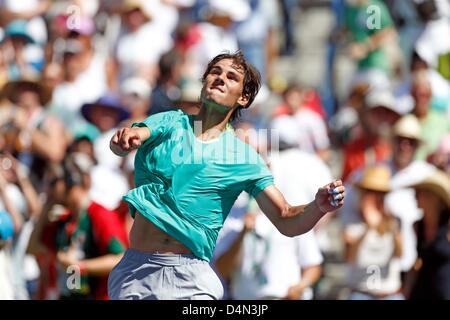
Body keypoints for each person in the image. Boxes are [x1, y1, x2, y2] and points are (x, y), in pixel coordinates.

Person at [107, 51, 346, 300]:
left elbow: (285, 217)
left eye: (231, 77)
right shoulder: (169, 122)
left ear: (243, 98)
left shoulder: (243, 156)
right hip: (134, 273)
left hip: (190, 281)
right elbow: (131, 139)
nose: (220, 78)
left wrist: (318, 207)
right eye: (215, 72)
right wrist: (123, 141)